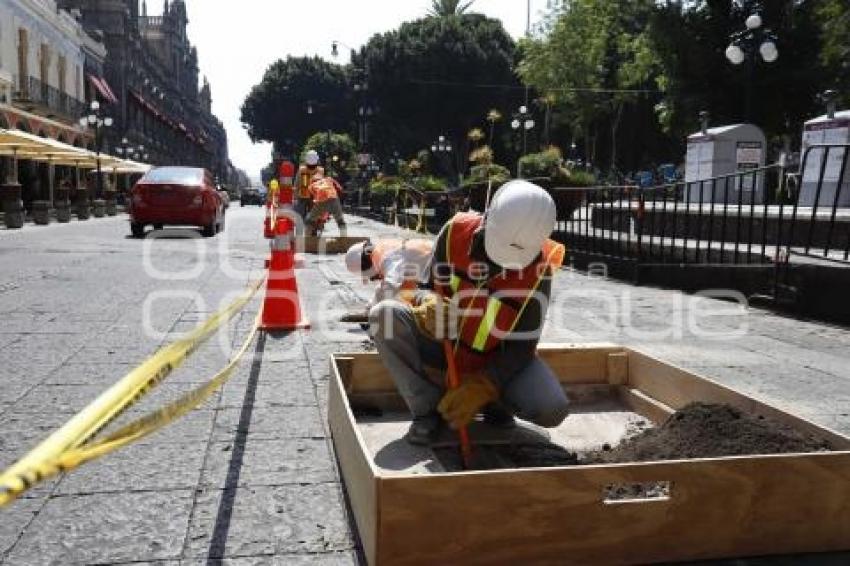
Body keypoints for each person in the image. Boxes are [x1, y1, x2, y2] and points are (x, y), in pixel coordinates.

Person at [369, 180, 569, 445]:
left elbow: (523, 346)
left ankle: (495, 405)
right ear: (488, 218)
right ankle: (428, 411)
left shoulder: (540, 272)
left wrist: (485, 384)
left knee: (551, 407)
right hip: (445, 348)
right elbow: (425, 288)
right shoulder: (454, 233)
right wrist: (427, 303)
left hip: (494, 359)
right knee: (384, 315)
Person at [345, 238, 434, 304]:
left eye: (371, 277)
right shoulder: (385, 250)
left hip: (441, 267)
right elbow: (405, 286)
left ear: (367, 265)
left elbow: (390, 286)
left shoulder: (388, 257)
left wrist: (372, 308)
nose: (375, 278)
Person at [294, 150, 324, 220]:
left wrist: (295, 197)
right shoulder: (320, 170)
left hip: (304, 196)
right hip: (314, 196)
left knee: (299, 216)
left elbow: (297, 184)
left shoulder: (302, 169)